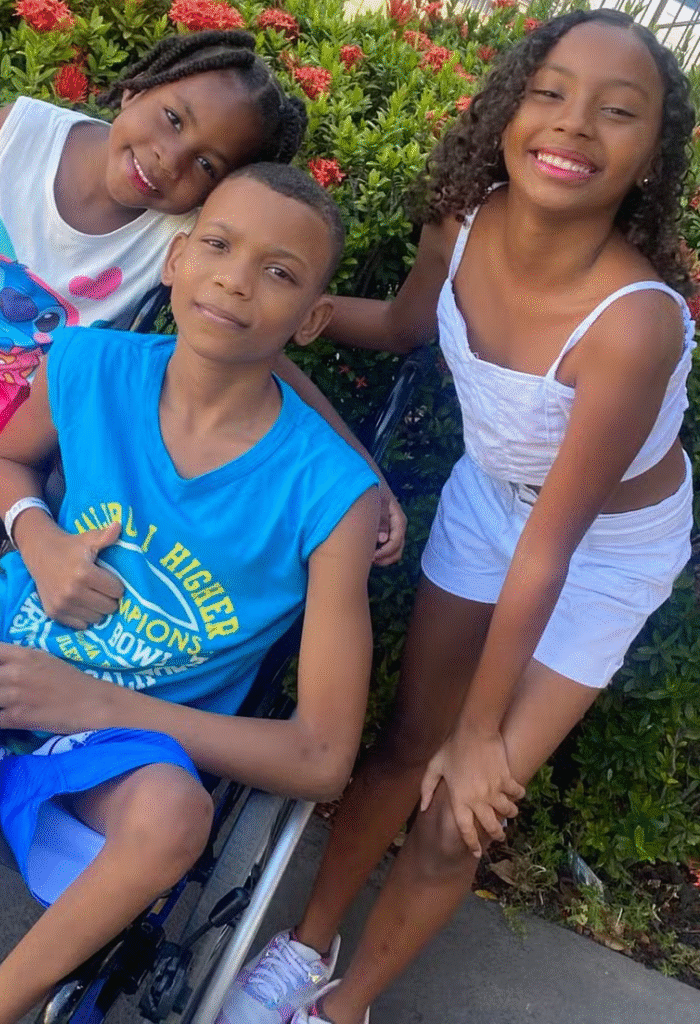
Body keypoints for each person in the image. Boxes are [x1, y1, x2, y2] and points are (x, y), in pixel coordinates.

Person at [0, 162, 381, 1024]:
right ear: (176, 259)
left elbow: (321, 757)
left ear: (312, 318)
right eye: (218, 245)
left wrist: (95, 701)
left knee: (173, 818)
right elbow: (10, 458)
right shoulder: (90, 363)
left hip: (123, 733)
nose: (235, 279)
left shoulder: (331, 497)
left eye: (279, 272)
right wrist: (39, 537)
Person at [218, 11, 696, 1024]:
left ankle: (342, 1008)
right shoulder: (462, 222)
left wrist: (480, 735)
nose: (573, 125)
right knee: (407, 743)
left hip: (600, 556)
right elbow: (402, 324)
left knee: (462, 807)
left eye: (617, 112)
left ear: (653, 153)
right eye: (549, 93)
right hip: (489, 502)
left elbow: (552, 550)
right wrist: (284, 313)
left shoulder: (634, 324)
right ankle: (306, 946)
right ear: (510, 108)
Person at [0, 29, 404, 618]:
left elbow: (263, 351)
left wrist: (365, 471)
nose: (169, 158)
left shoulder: (176, 239)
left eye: (205, 163)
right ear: (136, 89)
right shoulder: (25, 130)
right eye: (173, 119)